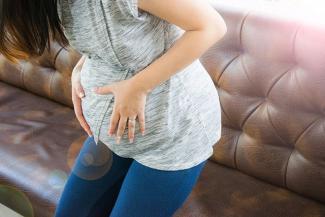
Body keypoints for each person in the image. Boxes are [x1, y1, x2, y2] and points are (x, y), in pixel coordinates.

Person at [0, 0, 227, 216]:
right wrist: (86, 66)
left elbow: (210, 26)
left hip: (173, 134)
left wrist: (139, 86)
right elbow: (113, 37)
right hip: (113, 131)